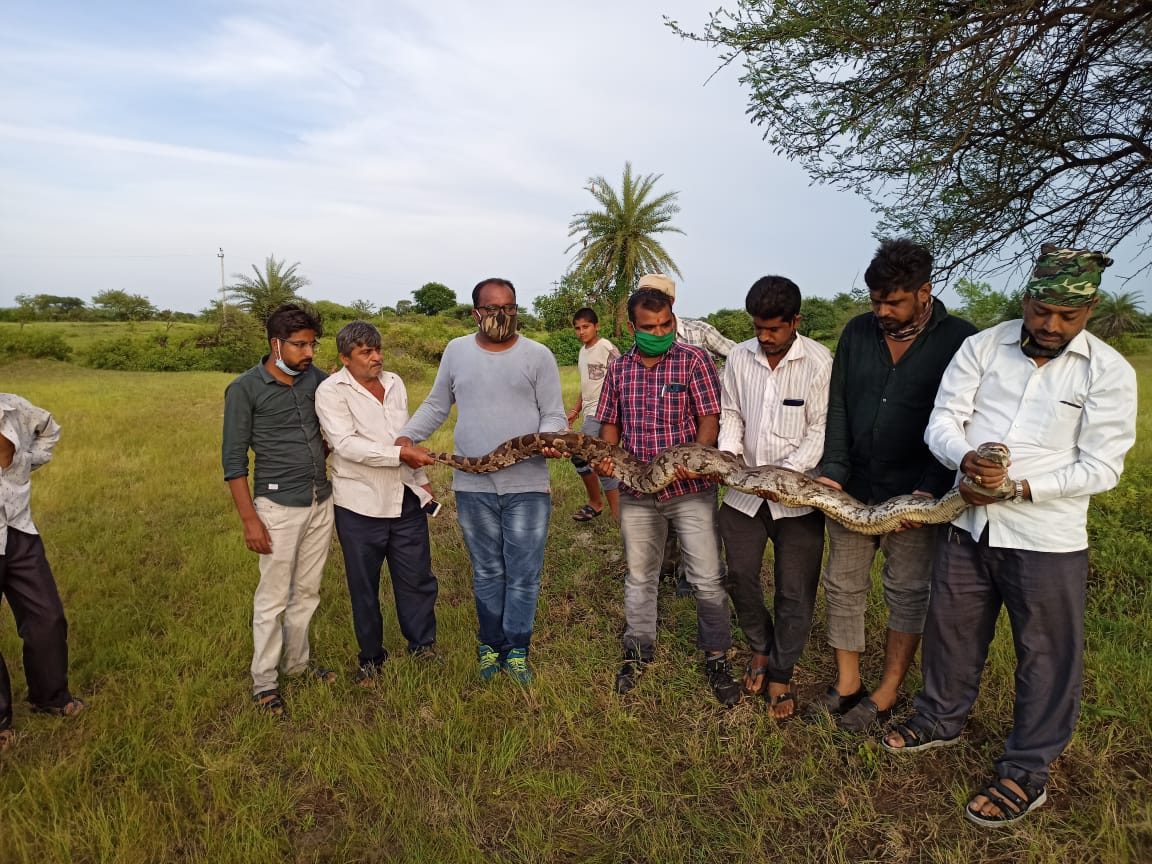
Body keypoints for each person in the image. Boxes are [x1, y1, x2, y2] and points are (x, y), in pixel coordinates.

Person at [881, 244, 1137, 827]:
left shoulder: (1108, 371)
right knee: (951, 628)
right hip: (970, 520)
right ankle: (939, 718)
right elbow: (943, 419)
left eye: (1066, 317)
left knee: (1045, 655)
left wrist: (1017, 489)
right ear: (1025, 298)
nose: (1050, 326)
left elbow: (1103, 466)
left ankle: (1026, 770)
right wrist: (966, 458)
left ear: (1090, 309)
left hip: (1047, 536)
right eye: (1041, 310)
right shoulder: (982, 347)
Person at [812, 239, 977, 732]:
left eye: (894, 301)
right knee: (842, 585)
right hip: (854, 486)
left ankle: (886, 690)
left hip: (920, 495)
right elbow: (838, 406)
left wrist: (930, 488)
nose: (882, 311)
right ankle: (847, 684)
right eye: (875, 300)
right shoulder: (857, 333)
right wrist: (833, 472)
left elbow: (963, 421)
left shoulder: (962, 341)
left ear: (924, 292)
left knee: (906, 591)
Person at [396, 278, 566, 686]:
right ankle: (490, 643)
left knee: (524, 573)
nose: (502, 316)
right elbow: (438, 404)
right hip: (473, 488)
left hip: (527, 485)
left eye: (509, 308)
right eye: (492, 309)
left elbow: (554, 414)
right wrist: (406, 437)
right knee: (488, 571)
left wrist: (551, 439)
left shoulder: (538, 355)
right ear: (476, 313)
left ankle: (517, 648)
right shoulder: (456, 351)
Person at [595, 287, 742, 706]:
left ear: (673, 320)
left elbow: (709, 419)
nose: (659, 332)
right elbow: (610, 425)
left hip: (690, 490)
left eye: (665, 325)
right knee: (640, 575)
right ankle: (638, 651)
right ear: (631, 327)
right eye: (649, 327)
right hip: (637, 490)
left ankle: (716, 655)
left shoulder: (694, 361)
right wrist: (608, 459)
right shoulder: (620, 369)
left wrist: (695, 458)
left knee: (707, 577)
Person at [717, 276, 832, 719]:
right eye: (758, 328)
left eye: (774, 330)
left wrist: (786, 476)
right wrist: (728, 458)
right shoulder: (739, 357)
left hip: (797, 497)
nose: (764, 338)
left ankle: (781, 671)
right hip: (743, 492)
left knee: (795, 590)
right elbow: (731, 412)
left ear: (795, 322)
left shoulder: (820, 362)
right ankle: (760, 648)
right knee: (740, 577)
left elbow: (820, 429)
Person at [222, 304, 337, 717]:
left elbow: (336, 418)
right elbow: (233, 461)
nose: (308, 353)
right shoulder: (244, 389)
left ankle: (297, 664)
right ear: (276, 344)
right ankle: (265, 682)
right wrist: (250, 520)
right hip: (276, 507)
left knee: (307, 591)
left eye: (312, 344)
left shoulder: (316, 381)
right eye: (300, 345)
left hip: (320, 501)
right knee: (272, 598)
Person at [315, 321, 441, 687]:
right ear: (344, 358)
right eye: (366, 353)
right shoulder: (331, 391)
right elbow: (346, 445)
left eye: (378, 349)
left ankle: (423, 647)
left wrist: (421, 481)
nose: (377, 357)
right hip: (359, 504)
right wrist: (401, 454)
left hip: (404, 497)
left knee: (417, 578)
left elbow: (405, 435)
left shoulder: (395, 382)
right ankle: (371, 657)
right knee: (364, 585)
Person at [636, 273, 736, 595]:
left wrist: (718, 383)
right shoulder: (641, 338)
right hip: (663, 433)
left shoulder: (699, 332)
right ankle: (668, 564)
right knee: (662, 500)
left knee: (697, 505)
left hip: (700, 427)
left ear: (672, 301)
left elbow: (737, 355)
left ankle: (694, 573)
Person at [0, 393, 84, 750]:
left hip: (18, 529)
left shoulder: (15, 409)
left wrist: (29, 459)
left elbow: (50, 429)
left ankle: (48, 696)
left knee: (47, 617)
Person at [566, 308, 621, 521]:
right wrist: (575, 410)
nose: (581, 331)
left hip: (603, 411)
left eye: (586, 326)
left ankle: (608, 509)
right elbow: (586, 385)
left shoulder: (605, 347)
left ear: (596, 326)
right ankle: (598, 504)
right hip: (589, 411)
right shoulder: (582, 352)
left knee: (592, 458)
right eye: (577, 328)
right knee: (589, 459)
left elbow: (624, 372)